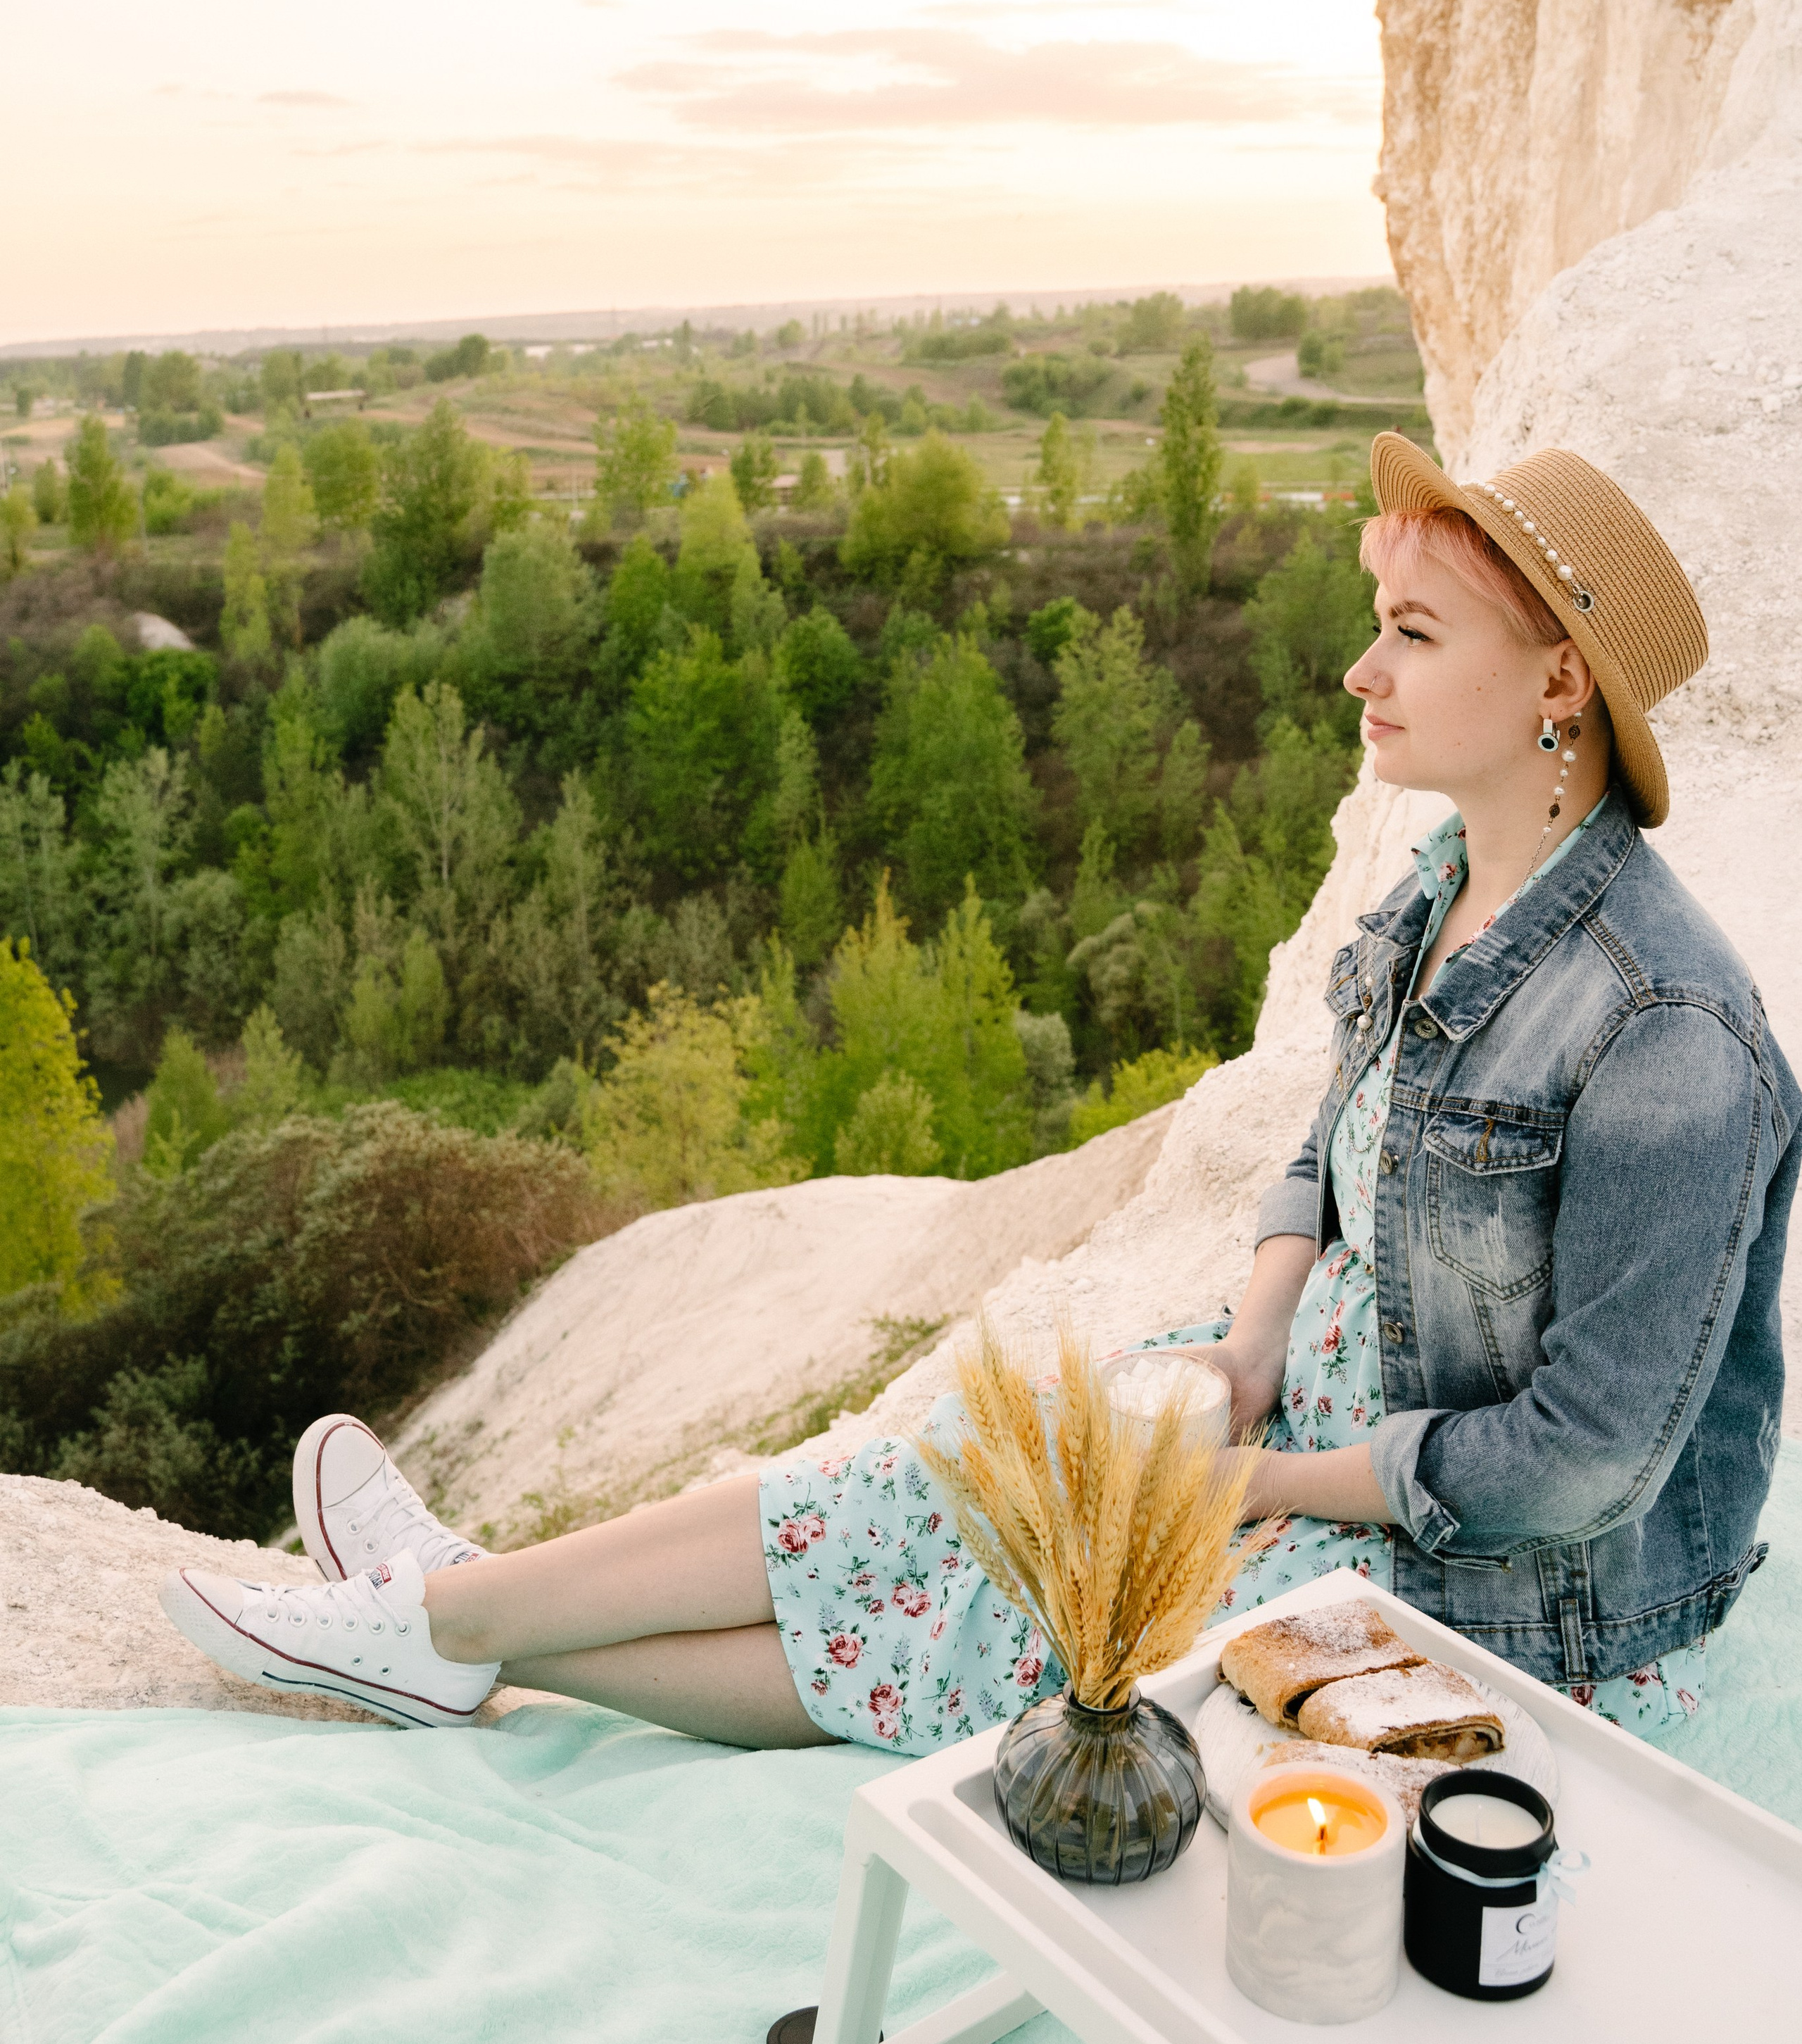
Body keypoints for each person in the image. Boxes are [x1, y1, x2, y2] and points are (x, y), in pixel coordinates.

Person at [161, 435, 1798, 1754]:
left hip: (1491, 1593)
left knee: (1000, 1612)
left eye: (1413, 635)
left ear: (1559, 686)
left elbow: (1579, 1464)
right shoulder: (1443, 889)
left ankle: (453, 1630)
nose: (1356, 673)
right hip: (1294, 1427)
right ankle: (466, 1603)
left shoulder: (1668, 1032)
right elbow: (1326, 1161)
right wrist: (1242, 1348)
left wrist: (1259, 1485)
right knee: (931, 1475)